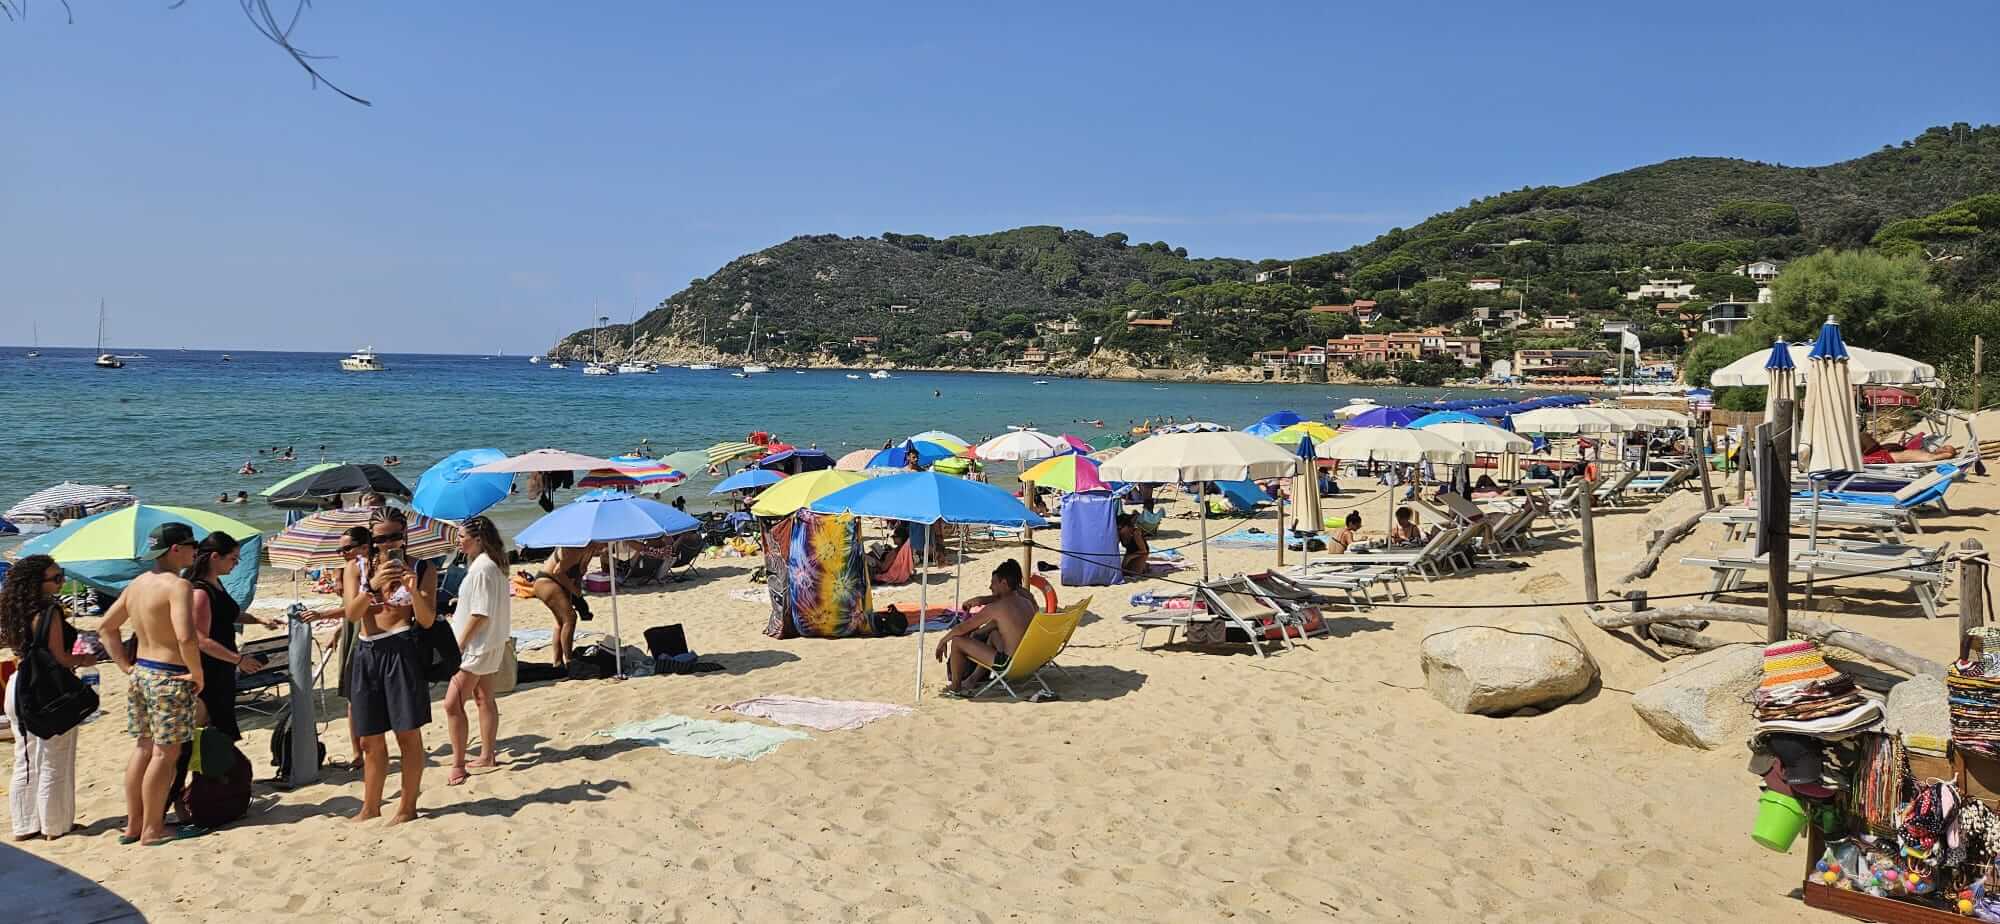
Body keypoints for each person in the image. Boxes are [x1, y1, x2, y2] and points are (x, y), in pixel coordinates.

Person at [98, 522, 204, 846]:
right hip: (168, 675)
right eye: (191, 544)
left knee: (143, 747)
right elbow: (186, 636)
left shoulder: (138, 583)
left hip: (142, 672)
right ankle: (153, 829)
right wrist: (197, 673)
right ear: (175, 549)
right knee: (164, 754)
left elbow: (106, 627)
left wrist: (125, 666)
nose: (195, 550)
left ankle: (134, 825)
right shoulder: (178, 586)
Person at [341, 508, 439, 825]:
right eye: (380, 538)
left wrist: (412, 591)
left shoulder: (421, 568)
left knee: (406, 734)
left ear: (405, 535)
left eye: (395, 535)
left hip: (402, 649)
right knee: (369, 738)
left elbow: (425, 620)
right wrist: (371, 585)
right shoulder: (355, 569)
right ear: (370, 540)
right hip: (368, 651)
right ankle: (370, 805)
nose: (388, 544)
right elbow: (353, 615)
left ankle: (407, 806)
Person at [3, 555, 93, 841]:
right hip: (47, 686)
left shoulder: (12, 608)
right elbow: (60, 657)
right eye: (56, 578)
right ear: (37, 583)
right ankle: (55, 826)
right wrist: (86, 658)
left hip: (18, 684)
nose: (61, 581)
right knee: (57, 757)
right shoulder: (49, 611)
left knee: (26, 757)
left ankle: (24, 826)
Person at [443, 516, 510, 787]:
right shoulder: (490, 566)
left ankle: (458, 764)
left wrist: (458, 645)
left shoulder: (483, 569)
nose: (458, 541)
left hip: (476, 647)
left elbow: (480, 614)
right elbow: (483, 605)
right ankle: (487, 755)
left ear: (478, 539)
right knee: (484, 698)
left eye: (461, 536)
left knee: (452, 703)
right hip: (490, 643)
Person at [936, 561, 1037, 696]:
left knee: (957, 641)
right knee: (994, 634)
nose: (990, 587)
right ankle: (972, 680)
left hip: (1010, 664)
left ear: (1004, 583)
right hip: (1029, 660)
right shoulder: (1026, 602)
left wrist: (943, 640)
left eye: (993, 583)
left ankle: (955, 687)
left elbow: (963, 628)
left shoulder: (996, 608)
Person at [530, 543, 604, 670]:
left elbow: (578, 575)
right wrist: (575, 591)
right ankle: (570, 661)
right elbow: (558, 571)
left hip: (561, 583)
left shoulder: (590, 551)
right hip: (547, 581)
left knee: (561, 622)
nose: (605, 546)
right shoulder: (576, 548)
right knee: (570, 618)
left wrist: (579, 600)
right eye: (603, 542)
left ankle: (558, 663)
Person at [1861, 433, 1959, 464]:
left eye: (1945, 448)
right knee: (1861, 436)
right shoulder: (1926, 452)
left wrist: (1951, 454)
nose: (1941, 447)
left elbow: (1948, 455)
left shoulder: (1928, 456)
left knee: (1861, 435)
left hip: (1883, 458)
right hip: (1882, 453)